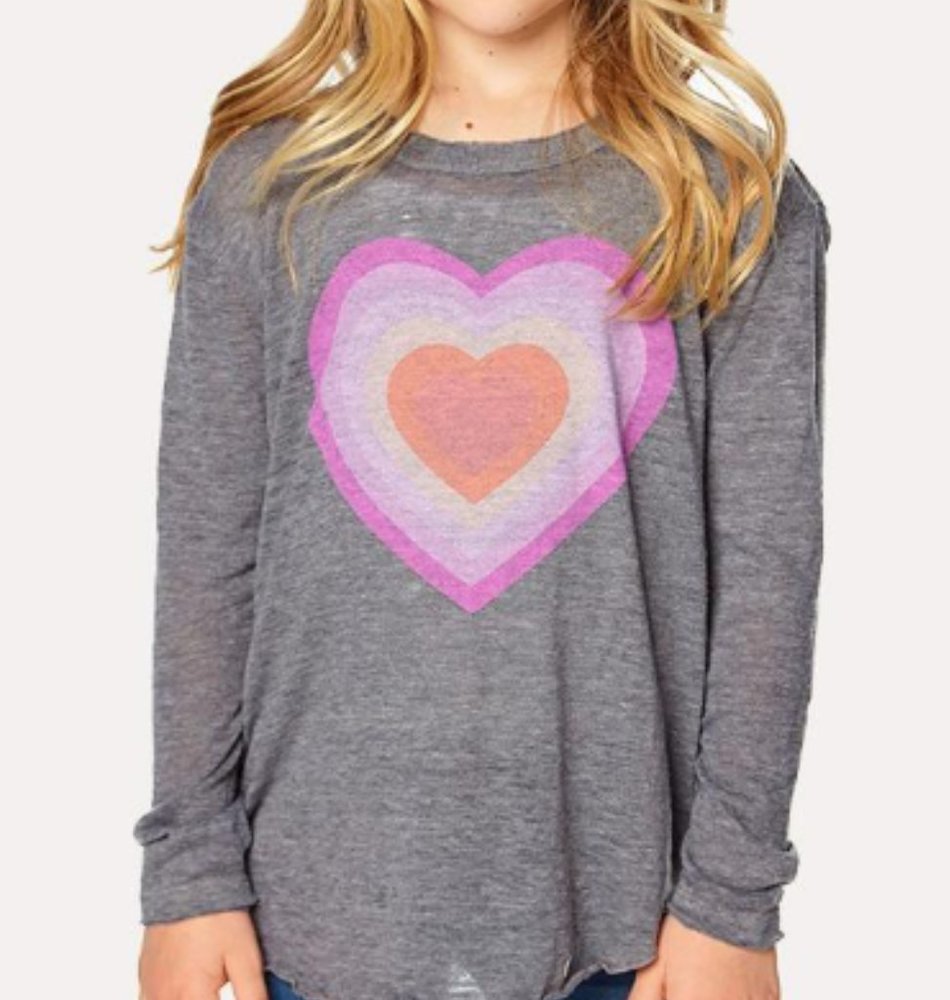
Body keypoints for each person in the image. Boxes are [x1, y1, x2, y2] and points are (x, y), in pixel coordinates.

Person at [132, 2, 831, 999]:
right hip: (305, 917)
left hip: (635, 939)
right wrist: (188, 872)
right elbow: (207, 555)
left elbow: (768, 573)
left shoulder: (729, 198)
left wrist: (730, 902)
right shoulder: (267, 191)